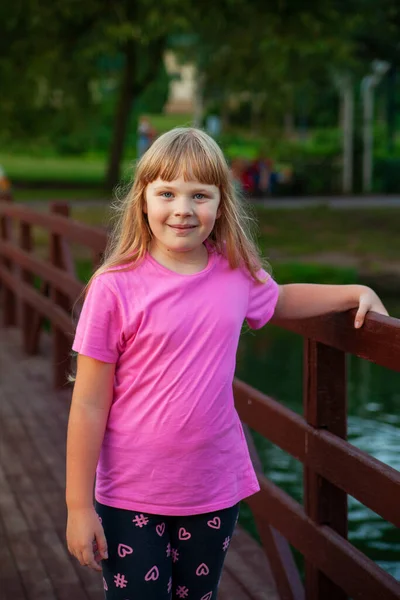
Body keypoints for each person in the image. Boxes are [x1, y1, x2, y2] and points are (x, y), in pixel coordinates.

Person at [66, 127, 388, 600]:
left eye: (200, 194)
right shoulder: (114, 287)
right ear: (143, 200)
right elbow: (89, 404)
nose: (183, 209)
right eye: (167, 193)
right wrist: (78, 505)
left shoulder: (235, 273)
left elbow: (280, 301)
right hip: (130, 492)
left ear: (220, 205)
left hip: (211, 489)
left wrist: (354, 292)